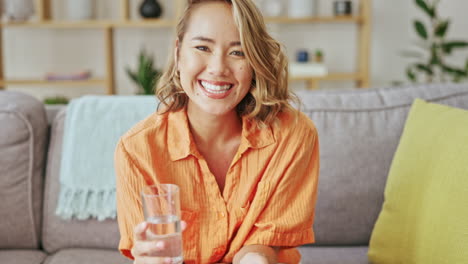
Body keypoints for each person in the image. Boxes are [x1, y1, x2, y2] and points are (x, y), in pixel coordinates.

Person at [114, 0, 319, 263]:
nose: (218, 68)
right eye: (202, 47)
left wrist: (255, 259)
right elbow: (152, 252)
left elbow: (266, 243)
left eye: (238, 52)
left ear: (255, 61)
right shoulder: (136, 151)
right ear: (178, 54)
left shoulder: (293, 136)